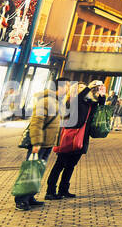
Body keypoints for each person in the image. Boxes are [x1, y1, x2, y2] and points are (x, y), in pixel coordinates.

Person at [45, 80, 104, 200]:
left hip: (81, 138)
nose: (83, 89)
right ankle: (50, 191)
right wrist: (88, 87)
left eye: (84, 88)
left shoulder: (89, 102)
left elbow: (101, 105)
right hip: (69, 137)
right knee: (59, 165)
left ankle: (63, 189)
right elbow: (77, 100)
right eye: (80, 87)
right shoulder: (71, 101)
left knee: (71, 165)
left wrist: (101, 93)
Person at [17, 82, 61, 210]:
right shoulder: (46, 102)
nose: (69, 89)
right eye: (67, 86)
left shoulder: (57, 102)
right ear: (60, 88)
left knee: (37, 172)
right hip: (39, 144)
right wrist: (36, 143)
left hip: (47, 144)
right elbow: (36, 123)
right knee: (30, 172)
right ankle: (21, 200)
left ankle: (30, 197)